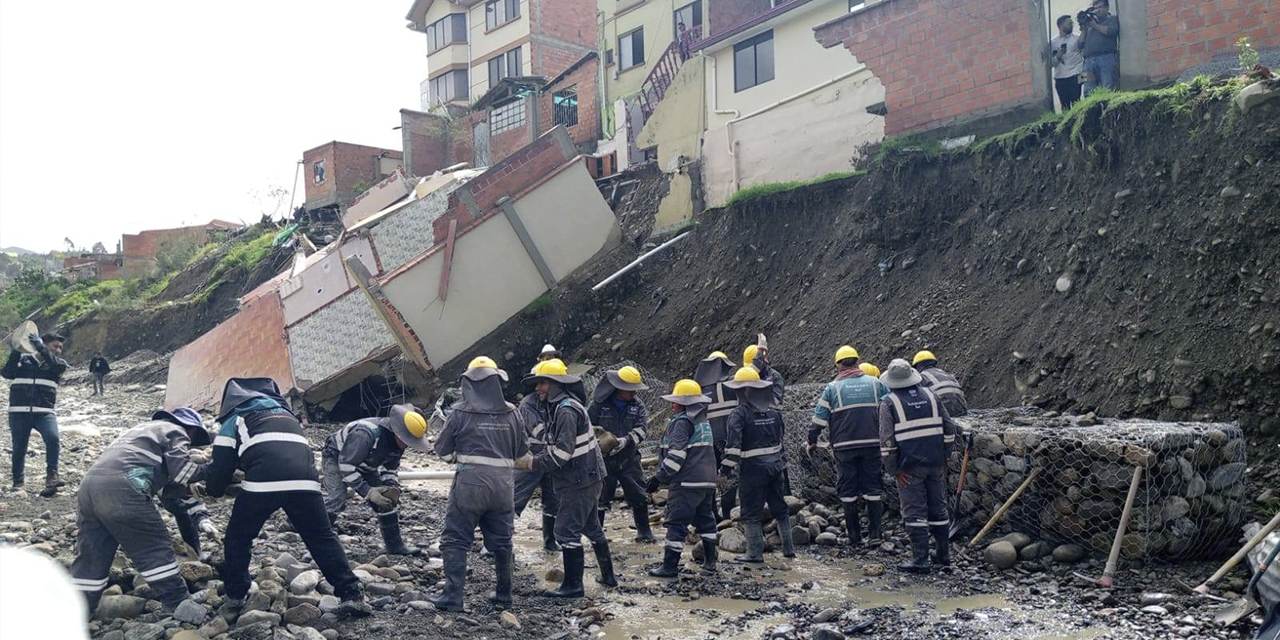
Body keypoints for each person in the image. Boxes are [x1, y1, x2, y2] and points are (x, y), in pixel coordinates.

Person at [207, 378, 370, 618]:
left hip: (263, 481)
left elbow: (220, 470)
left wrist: (214, 489)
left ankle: (235, 594)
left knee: (238, 537)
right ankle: (351, 593)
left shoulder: (236, 418)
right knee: (321, 536)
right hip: (306, 481)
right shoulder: (288, 417)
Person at [70, 407, 215, 615]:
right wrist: (214, 468)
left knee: (93, 553)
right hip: (122, 488)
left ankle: (79, 610)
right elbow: (185, 472)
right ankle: (177, 601)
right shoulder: (175, 431)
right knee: (154, 546)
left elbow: (165, 488)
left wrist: (196, 509)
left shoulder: (138, 432)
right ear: (190, 430)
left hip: (89, 488)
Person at [429, 357, 527, 611]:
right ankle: (504, 594)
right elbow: (520, 452)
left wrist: (457, 459)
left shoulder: (460, 412)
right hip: (504, 486)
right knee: (502, 541)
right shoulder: (513, 412)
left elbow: (442, 449)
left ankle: (453, 596)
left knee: (456, 538)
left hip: (470, 484)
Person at [522, 359, 616, 597]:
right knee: (591, 526)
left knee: (564, 531)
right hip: (588, 477)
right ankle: (608, 578)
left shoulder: (564, 410)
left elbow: (562, 452)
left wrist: (532, 463)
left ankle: (573, 586)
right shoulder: (566, 406)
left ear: (555, 384)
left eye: (542, 383)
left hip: (578, 480)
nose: (537, 389)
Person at [878, 359, 959, 573]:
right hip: (935, 463)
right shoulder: (932, 396)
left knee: (914, 512)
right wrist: (945, 456)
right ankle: (943, 556)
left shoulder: (888, 403)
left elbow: (887, 443)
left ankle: (920, 560)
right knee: (938, 508)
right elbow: (949, 428)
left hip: (909, 467)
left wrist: (894, 470)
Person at [321, 404, 428, 556]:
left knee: (386, 499)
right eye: (407, 441)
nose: (408, 445)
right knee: (338, 496)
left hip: (365, 462)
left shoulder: (397, 444)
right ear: (398, 434)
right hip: (336, 457)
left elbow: (390, 469)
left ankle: (395, 546)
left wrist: (391, 487)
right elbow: (346, 466)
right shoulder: (365, 434)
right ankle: (320, 539)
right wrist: (368, 491)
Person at [809, 346, 887, 547]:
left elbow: (819, 419)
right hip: (872, 444)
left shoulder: (832, 388)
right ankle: (875, 535)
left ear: (838, 365)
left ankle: (854, 538)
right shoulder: (875, 383)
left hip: (844, 447)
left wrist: (812, 440)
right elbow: (891, 407)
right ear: (857, 361)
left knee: (848, 489)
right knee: (873, 488)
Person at [646, 380, 719, 576]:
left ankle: (669, 567)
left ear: (685, 403)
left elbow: (677, 456)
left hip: (686, 482)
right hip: (708, 481)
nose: (672, 404)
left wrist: (658, 478)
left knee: (676, 522)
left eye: (676, 401)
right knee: (706, 520)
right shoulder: (703, 422)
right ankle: (710, 563)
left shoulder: (681, 422)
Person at [721, 367, 794, 563]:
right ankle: (789, 550)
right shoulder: (774, 412)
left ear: (743, 391)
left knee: (751, 513)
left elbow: (733, 448)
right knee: (780, 509)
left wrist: (725, 470)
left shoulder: (739, 414)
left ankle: (754, 554)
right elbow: (780, 437)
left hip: (752, 470)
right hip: (776, 467)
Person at [589, 365, 656, 543]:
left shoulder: (637, 405)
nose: (633, 393)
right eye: (630, 390)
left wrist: (626, 440)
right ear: (619, 388)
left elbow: (642, 429)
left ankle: (644, 532)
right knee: (601, 497)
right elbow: (586, 426)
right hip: (604, 460)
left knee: (638, 494)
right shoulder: (599, 404)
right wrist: (597, 441)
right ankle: (597, 534)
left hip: (629, 458)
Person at [3, 332, 68, 496]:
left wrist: (40, 346)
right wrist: (17, 350)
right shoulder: (23, 361)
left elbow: (54, 364)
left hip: (44, 412)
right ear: (45, 344)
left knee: (53, 439)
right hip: (18, 412)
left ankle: (52, 477)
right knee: (19, 448)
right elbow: (7, 373)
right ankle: (18, 483)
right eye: (55, 346)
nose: (59, 350)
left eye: (60, 347)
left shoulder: (59, 364)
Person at [513, 362, 560, 552]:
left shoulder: (560, 402)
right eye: (536, 383)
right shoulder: (528, 403)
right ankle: (494, 543)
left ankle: (550, 542)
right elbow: (538, 429)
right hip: (529, 457)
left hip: (551, 459)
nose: (537, 388)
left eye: (542, 383)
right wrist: (561, 440)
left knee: (553, 502)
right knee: (514, 500)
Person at [694, 351, 737, 520]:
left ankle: (711, 514)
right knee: (729, 475)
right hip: (729, 439)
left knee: (709, 476)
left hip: (708, 440)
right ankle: (727, 514)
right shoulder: (733, 384)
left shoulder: (700, 389)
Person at [1079, 0, 1119, 95]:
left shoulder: (1111, 19)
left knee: (1107, 86)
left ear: (1106, 8)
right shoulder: (1089, 23)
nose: (1097, 10)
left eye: (1100, 7)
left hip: (1106, 58)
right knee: (1087, 89)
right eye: (1095, 8)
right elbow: (1080, 44)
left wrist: (1095, 25)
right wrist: (1084, 28)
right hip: (1087, 61)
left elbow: (1111, 32)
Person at [912, 350, 968, 417]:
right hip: (961, 409)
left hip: (945, 412)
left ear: (917, 366)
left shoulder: (922, 377)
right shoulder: (946, 374)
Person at [1049, 15, 1084, 110]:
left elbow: (1083, 54)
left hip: (1076, 74)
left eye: (1072, 23)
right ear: (1060, 26)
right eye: (1069, 23)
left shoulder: (1077, 38)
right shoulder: (1053, 42)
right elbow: (1050, 64)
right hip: (1060, 77)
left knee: (1076, 101)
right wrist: (1058, 55)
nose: (1072, 25)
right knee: (1064, 106)